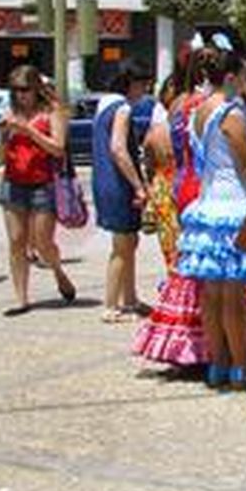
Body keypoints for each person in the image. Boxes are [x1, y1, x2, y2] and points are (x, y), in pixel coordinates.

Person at [176, 49, 246, 389]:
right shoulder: (232, 113)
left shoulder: (198, 110)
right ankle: (241, 367)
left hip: (207, 204)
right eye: (243, 75)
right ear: (230, 78)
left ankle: (218, 364)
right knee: (233, 296)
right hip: (232, 205)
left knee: (211, 294)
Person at [0, 65, 75, 316]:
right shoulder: (11, 113)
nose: (21, 95)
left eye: (25, 89)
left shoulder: (51, 112)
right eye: (16, 90)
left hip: (43, 183)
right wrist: (2, 137)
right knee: (16, 241)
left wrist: (28, 130)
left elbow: (58, 148)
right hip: (13, 182)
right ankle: (21, 298)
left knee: (43, 242)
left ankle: (58, 272)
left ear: (36, 89)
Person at [92, 60, 157, 323]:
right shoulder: (122, 109)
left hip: (103, 181)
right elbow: (118, 149)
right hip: (118, 183)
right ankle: (111, 305)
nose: (144, 91)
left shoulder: (104, 104)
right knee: (122, 245)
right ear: (131, 84)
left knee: (129, 241)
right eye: (142, 85)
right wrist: (138, 185)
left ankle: (129, 298)